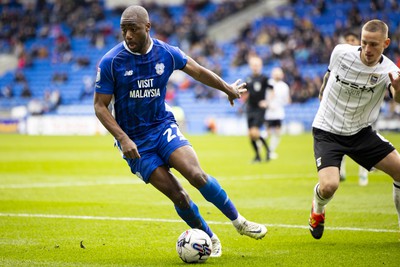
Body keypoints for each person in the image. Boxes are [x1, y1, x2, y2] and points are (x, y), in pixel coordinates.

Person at [94, 5, 267, 257]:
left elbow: (197, 71)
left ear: (147, 27)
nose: (128, 35)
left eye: (133, 29)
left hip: (162, 126)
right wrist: (122, 138)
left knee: (196, 175)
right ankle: (209, 237)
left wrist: (227, 88)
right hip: (136, 143)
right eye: (124, 30)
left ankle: (239, 221)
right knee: (180, 197)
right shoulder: (111, 62)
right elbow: (100, 106)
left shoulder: (166, 53)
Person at [309, 19, 400, 240]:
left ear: (386, 43)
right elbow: (329, 75)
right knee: (329, 186)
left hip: (360, 132)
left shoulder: (390, 70)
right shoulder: (340, 52)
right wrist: (322, 93)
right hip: (328, 130)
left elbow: (397, 99)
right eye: (364, 42)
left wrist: (398, 90)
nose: (367, 50)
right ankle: (317, 208)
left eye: (374, 45)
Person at [339, 31, 369, 186]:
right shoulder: (339, 60)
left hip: (363, 109)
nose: (350, 42)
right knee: (339, 140)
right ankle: (341, 171)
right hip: (343, 109)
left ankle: (363, 174)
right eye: (347, 40)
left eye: (353, 40)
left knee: (363, 143)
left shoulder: (367, 61)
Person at [243, 55, 272, 162]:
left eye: (257, 65)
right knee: (250, 134)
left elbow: (272, 90)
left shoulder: (264, 78)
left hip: (260, 109)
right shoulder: (248, 78)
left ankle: (268, 151)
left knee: (255, 131)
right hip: (250, 108)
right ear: (251, 66)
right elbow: (245, 92)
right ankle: (258, 156)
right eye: (253, 65)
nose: (255, 67)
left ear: (260, 66)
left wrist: (267, 101)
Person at [264, 67, 291, 159]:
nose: (277, 75)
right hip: (268, 112)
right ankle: (261, 147)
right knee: (268, 132)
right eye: (276, 73)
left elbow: (287, 100)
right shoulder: (268, 83)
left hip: (279, 112)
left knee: (278, 132)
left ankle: (270, 151)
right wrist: (268, 103)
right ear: (272, 74)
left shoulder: (284, 86)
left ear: (282, 75)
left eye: (279, 73)